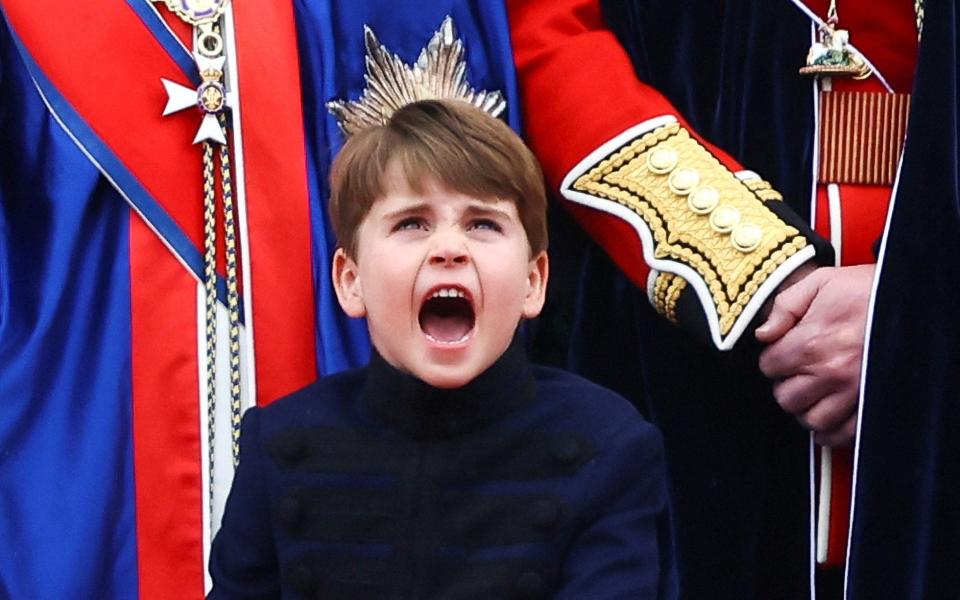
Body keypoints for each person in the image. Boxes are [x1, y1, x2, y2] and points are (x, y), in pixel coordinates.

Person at [206, 99, 676, 599]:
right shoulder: (278, 445)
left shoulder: (608, 446)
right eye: (412, 223)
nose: (449, 248)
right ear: (351, 280)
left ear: (534, 282)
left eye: (482, 224)